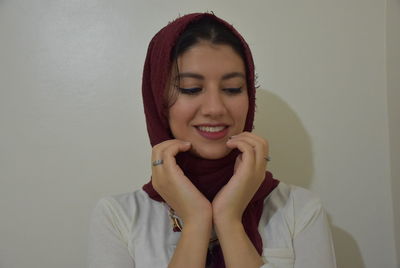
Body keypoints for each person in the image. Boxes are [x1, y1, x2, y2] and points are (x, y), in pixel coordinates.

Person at [88, 13, 337, 268]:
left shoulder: (299, 210)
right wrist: (196, 221)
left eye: (232, 89)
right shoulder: (119, 217)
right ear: (157, 99)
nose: (215, 108)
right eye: (191, 89)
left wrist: (228, 219)